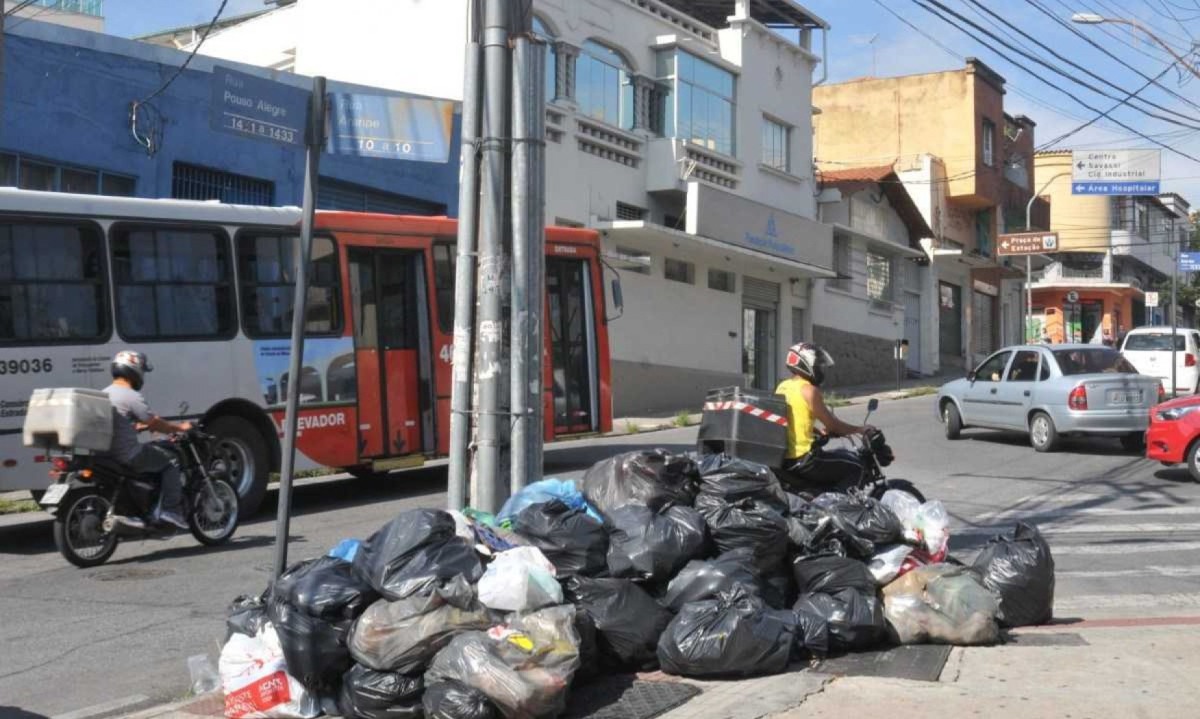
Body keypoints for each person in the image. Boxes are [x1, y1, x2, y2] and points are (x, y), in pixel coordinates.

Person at [103, 350, 192, 530]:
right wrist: (179, 428)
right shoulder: (131, 396)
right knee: (171, 460)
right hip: (128, 455)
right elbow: (155, 422)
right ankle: (170, 511)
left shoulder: (104, 393)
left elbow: (120, 421)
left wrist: (139, 427)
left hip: (107, 455)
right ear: (135, 371)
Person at [775, 342, 873, 493]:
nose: (820, 370)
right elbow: (833, 425)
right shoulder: (809, 390)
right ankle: (840, 512)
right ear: (806, 364)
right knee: (856, 467)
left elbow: (793, 417)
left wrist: (815, 431)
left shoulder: (783, 386)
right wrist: (860, 429)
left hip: (786, 459)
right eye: (817, 366)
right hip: (806, 459)